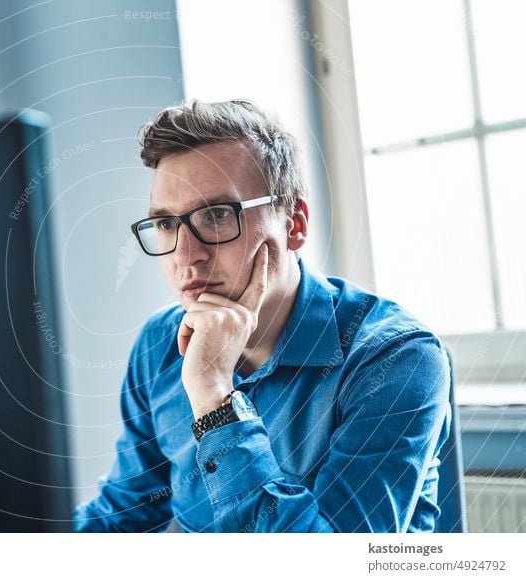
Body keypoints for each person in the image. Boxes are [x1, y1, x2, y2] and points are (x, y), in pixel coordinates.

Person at [73, 99, 451, 533]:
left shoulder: (396, 359)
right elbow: (125, 517)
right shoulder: (160, 342)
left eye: (216, 216)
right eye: (165, 224)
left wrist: (214, 396)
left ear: (294, 224)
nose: (185, 256)